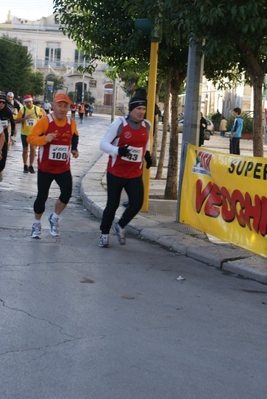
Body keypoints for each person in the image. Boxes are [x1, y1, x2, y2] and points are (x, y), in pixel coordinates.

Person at [98, 96, 152, 248]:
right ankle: (104, 234)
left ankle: (120, 225)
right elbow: (103, 144)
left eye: (143, 109)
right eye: (138, 109)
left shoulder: (147, 124)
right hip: (116, 172)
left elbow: (145, 141)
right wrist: (118, 150)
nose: (141, 112)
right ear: (131, 109)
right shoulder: (119, 124)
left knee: (137, 204)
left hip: (135, 173)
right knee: (112, 205)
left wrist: (147, 154)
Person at [27, 93, 79, 239]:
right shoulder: (45, 122)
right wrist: (45, 139)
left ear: (69, 107)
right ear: (53, 106)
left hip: (63, 168)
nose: (62, 109)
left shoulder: (71, 122)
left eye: (65, 106)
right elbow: (31, 138)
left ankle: (54, 218)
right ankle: (36, 224)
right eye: (59, 105)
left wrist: (74, 149)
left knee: (67, 194)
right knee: (42, 197)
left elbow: (75, 135)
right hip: (46, 168)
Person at [15, 94, 43, 173]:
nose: (28, 104)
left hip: (34, 133)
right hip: (24, 133)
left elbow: (42, 117)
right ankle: (25, 165)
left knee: (33, 149)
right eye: (27, 102)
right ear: (25, 103)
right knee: (25, 150)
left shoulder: (37, 109)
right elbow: (17, 120)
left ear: (32, 101)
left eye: (30, 102)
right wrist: (24, 118)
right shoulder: (22, 109)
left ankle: (31, 165)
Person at [0, 94, 16, 181]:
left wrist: (12, 136)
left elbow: (13, 124)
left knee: (3, 158)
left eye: (3, 102)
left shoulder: (8, 112)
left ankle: (1, 169)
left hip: (4, 139)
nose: (1, 104)